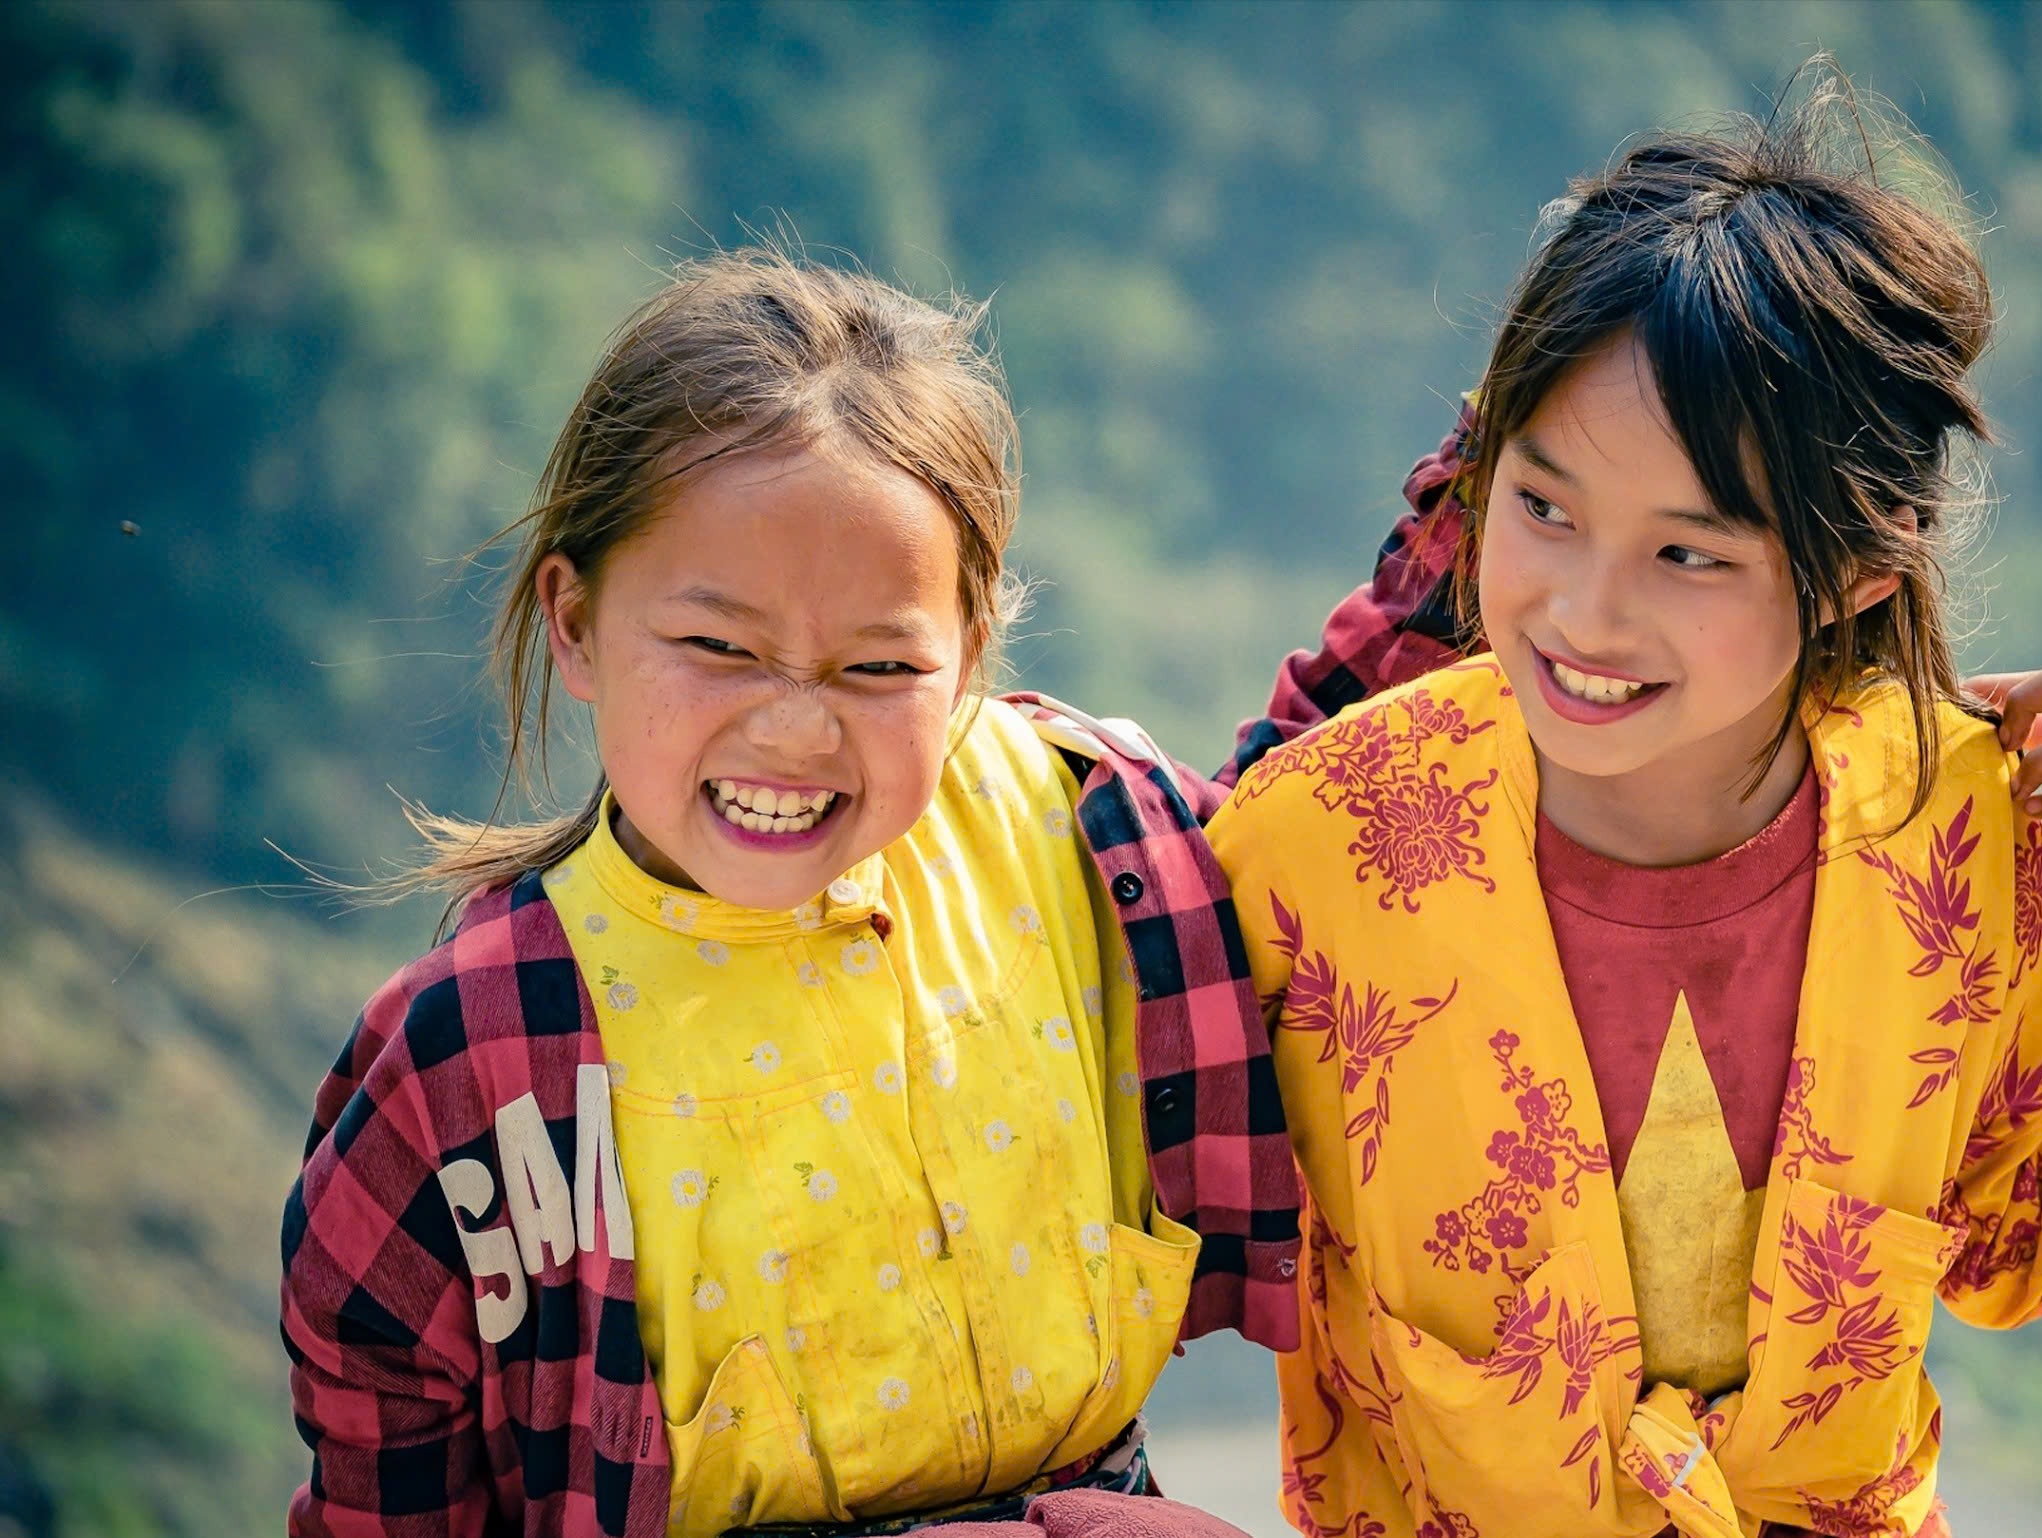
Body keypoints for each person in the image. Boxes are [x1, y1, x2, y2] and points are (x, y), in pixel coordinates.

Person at [1207, 85, 2042, 1538]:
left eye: (1689, 553)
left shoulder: (1948, 826)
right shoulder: (1321, 845)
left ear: (1855, 568)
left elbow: (2014, 1240)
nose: (1586, 614)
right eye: (1543, 508)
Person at [279, 251, 1292, 1538]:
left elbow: (1332, 836)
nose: (797, 732)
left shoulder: (1081, 824)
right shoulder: (475, 1055)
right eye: (718, 647)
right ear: (575, 623)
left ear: (970, 650)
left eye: (877, 664)